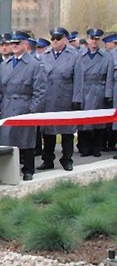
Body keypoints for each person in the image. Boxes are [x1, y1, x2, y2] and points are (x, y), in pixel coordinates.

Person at [0, 31, 46, 180]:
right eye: (12, 43)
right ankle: (9, 170)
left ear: (25, 44)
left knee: (26, 140)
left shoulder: (35, 64)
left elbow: (40, 91)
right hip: (8, 105)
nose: (14, 46)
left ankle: (28, 169)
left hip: (25, 105)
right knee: (8, 141)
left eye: (17, 43)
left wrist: (33, 110)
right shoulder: (5, 64)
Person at [38, 27, 78, 171]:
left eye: (58, 38)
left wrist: (77, 99)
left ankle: (67, 159)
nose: (55, 41)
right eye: (52, 39)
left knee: (67, 132)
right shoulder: (44, 55)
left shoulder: (74, 55)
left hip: (65, 96)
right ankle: (47, 159)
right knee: (48, 132)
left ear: (66, 39)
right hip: (48, 98)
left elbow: (79, 79)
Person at [73, 28, 114, 158]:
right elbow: (76, 77)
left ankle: (97, 147)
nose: (94, 41)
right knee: (84, 121)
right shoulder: (80, 55)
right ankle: (85, 148)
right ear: (88, 39)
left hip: (98, 89)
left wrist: (108, 93)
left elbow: (109, 76)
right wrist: (76, 95)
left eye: (97, 39)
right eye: (92, 38)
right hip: (84, 88)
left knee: (98, 121)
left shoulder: (106, 56)